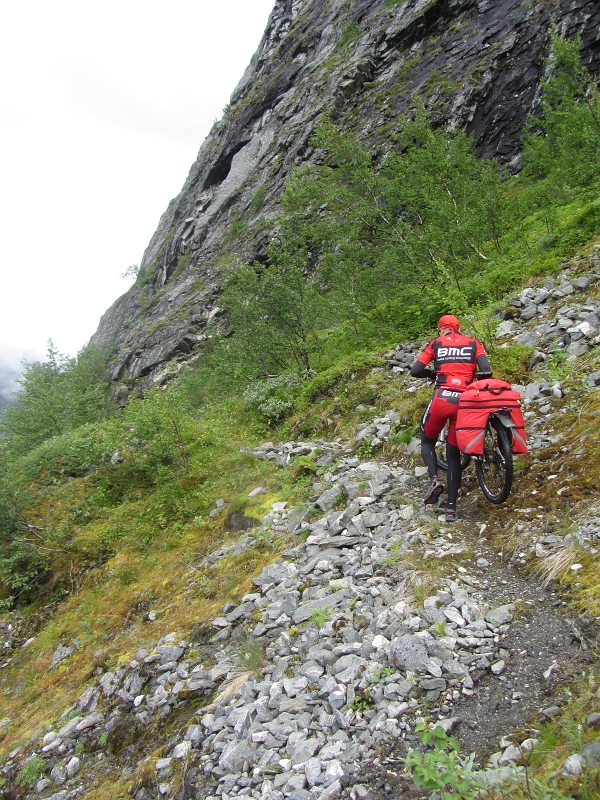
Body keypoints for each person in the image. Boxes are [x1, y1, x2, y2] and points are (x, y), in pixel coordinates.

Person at [410, 314, 492, 522]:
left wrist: (432, 375)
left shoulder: (436, 343)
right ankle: (451, 509)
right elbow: (486, 371)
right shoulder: (474, 343)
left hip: (442, 398)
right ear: (458, 327)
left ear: (441, 329)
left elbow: (415, 370)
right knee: (454, 455)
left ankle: (434, 479)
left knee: (427, 441)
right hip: (465, 401)